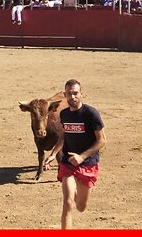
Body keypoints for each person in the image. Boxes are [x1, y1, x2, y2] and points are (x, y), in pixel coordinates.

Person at [43, 79, 106, 230]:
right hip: (68, 163)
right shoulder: (64, 114)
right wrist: (54, 154)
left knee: (81, 206)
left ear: (81, 94)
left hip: (88, 164)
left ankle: (78, 193)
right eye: (69, 94)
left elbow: (102, 141)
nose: (72, 97)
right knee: (67, 203)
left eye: (75, 93)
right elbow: (64, 136)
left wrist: (82, 157)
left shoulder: (91, 114)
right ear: (65, 95)